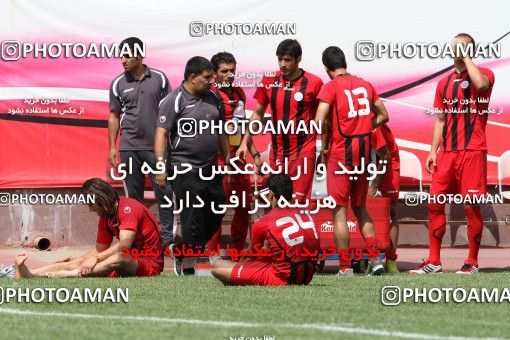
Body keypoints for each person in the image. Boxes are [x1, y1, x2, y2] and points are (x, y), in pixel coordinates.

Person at [410, 33, 495, 275]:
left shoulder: (485, 73)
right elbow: (439, 119)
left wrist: (466, 55)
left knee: (471, 206)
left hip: (472, 150)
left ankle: (472, 262)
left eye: (462, 45)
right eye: (454, 44)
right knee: (435, 203)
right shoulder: (443, 83)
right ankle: (434, 261)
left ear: (471, 50)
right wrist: (432, 151)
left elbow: (480, 85)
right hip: (446, 153)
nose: (456, 48)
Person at [315, 46, 389, 277]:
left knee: (339, 212)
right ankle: (375, 259)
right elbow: (384, 115)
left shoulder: (330, 87)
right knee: (360, 207)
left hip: (340, 155)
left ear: (327, 69)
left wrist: (325, 137)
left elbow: (319, 120)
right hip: (363, 154)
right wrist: (365, 126)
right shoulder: (366, 85)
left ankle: (345, 266)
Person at [154, 56, 230, 275]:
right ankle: (188, 268)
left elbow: (221, 131)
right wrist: (160, 167)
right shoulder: (173, 100)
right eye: (207, 77)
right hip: (184, 168)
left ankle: (179, 250)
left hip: (211, 168)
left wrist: (228, 160)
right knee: (192, 219)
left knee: (216, 213)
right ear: (192, 77)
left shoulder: (215, 97)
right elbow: (161, 133)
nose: (212, 81)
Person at [15, 178, 163, 278]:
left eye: (91, 204)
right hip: (127, 260)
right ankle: (32, 274)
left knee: (120, 257)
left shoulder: (128, 208)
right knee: (83, 259)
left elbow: (124, 246)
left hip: (149, 264)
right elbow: (99, 250)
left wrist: (96, 258)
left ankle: (69, 275)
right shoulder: (105, 217)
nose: (90, 209)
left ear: (102, 200)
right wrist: (85, 260)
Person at [236, 39, 324, 203]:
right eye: (280, 59)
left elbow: (323, 121)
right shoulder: (269, 80)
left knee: (298, 203)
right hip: (277, 153)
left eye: (287, 60)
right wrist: (244, 143)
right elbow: (257, 114)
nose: (282, 64)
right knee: (277, 201)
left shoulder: (315, 83)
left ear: (298, 59)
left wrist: (325, 149)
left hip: (304, 152)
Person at [108, 37, 174, 249]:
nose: (123, 60)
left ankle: (167, 241)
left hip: (157, 148)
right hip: (129, 148)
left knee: (164, 193)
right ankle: (138, 242)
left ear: (139, 55)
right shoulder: (118, 83)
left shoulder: (160, 79)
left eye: (127, 55)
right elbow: (114, 116)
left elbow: (168, 112)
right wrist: (112, 147)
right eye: (121, 55)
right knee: (133, 200)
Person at [211, 174, 320, 286]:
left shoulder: (264, 221)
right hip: (306, 278)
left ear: (271, 194)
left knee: (217, 267)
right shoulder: (308, 215)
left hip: (281, 278)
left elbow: (249, 257)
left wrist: (238, 269)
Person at [206, 52, 261, 255]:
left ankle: (237, 253)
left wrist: (254, 154)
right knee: (217, 209)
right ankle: (212, 255)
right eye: (224, 71)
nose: (230, 75)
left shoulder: (239, 93)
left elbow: (242, 128)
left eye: (232, 71)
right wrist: (225, 160)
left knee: (244, 206)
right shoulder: (209, 95)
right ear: (214, 73)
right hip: (218, 161)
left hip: (238, 160)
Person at [369, 124, 400, 273]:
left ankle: (391, 259)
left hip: (388, 164)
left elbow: (386, 157)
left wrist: (374, 185)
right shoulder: (354, 119)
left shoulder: (374, 125)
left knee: (391, 211)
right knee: (362, 208)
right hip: (368, 164)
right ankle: (365, 258)